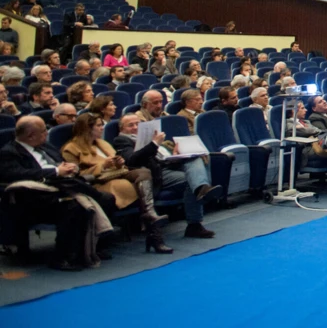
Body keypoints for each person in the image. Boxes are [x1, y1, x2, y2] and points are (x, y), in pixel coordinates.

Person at [0, 115, 114, 271]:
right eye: (43, 131)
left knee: (106, 198)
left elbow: (62, 163)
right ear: (30, 136)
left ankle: (91, 247)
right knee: (73, 207)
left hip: (61, 188)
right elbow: (17, 174)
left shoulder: (46, 147)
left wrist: (71, 168)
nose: (47, 133)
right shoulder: (9, 152)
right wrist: (55, 171)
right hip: (33, 198)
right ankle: (61, 258)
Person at [61, 112, 172, 254]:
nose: (103, 128)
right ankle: (154, 233)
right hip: (99, 182)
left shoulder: (102, 143)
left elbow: (120, 164)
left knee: (144, 173)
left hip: (118, 174)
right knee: (139, 189)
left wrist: (119, 162)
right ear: (87, 128)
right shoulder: (71, 148)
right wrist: (103, 166)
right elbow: (75, 176)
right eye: (99, 125)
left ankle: (150, 214)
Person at [112, 113, 218, 239]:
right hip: (154, 174)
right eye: (131, 125)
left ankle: (202, 188)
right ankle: (195, 223)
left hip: (168, 165)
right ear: (122, 128)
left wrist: (174, 156)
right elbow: (132, 161)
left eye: (138, 124)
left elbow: (161, 156)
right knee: (193, 180)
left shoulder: (149, 136)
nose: (135, 127)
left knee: (195, 159)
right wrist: (154, 144)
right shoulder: (122, 140)